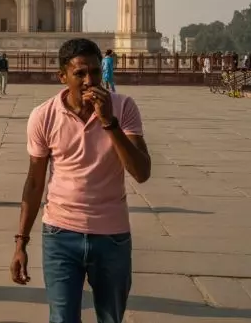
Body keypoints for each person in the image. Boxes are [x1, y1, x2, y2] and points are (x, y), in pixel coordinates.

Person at [10, 38, 150, 323]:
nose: (90, 81)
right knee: (62, 318)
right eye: (80, 74)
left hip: (111, 235)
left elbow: (141, 172)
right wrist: (20, 242)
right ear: (62, 76)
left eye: (96, 72)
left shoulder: (123, 107)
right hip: (60, 234)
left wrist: (108, 122)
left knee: (111, 318)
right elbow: (35, 182)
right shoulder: (44, 115)